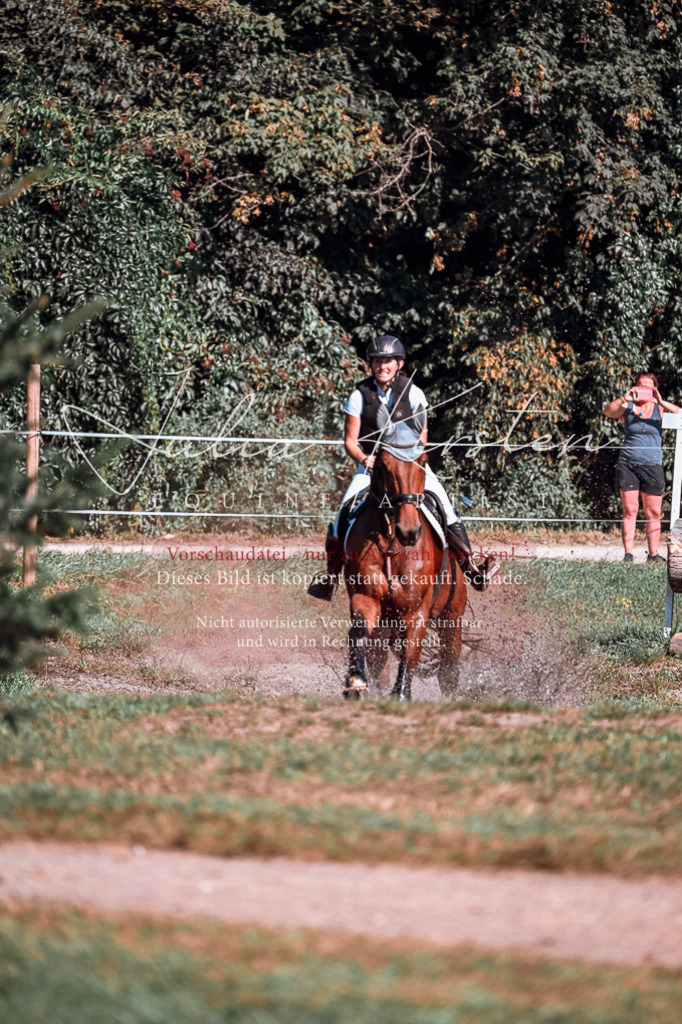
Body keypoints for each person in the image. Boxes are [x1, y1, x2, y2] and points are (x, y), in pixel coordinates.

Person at [307, 334, 479, 600]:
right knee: (343, 513)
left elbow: (421, 439)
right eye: (377, 361)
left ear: (399, 363)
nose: (382, 366)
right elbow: (350, 442)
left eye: (388, 361)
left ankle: (471, 568)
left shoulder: (414, 393)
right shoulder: (359, 395)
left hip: (410, 468)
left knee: (445, 506)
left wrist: (404, 460)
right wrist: (366, 459)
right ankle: (330, 577)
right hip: (371, 468)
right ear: (371, 364)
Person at [604, 372, 679, 563]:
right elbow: (608, 412)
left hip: (652, 464)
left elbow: (680, 415)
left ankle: (653, 555)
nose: (644, 389)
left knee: (653, 512)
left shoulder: (659, 409)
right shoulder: (627, 406)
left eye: (649, 386)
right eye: (640, 385)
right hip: (628, 463)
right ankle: (628, 554)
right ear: (635, 387)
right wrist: (625, 397)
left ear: (654, 388)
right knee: (630, 510)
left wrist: (660, 401)